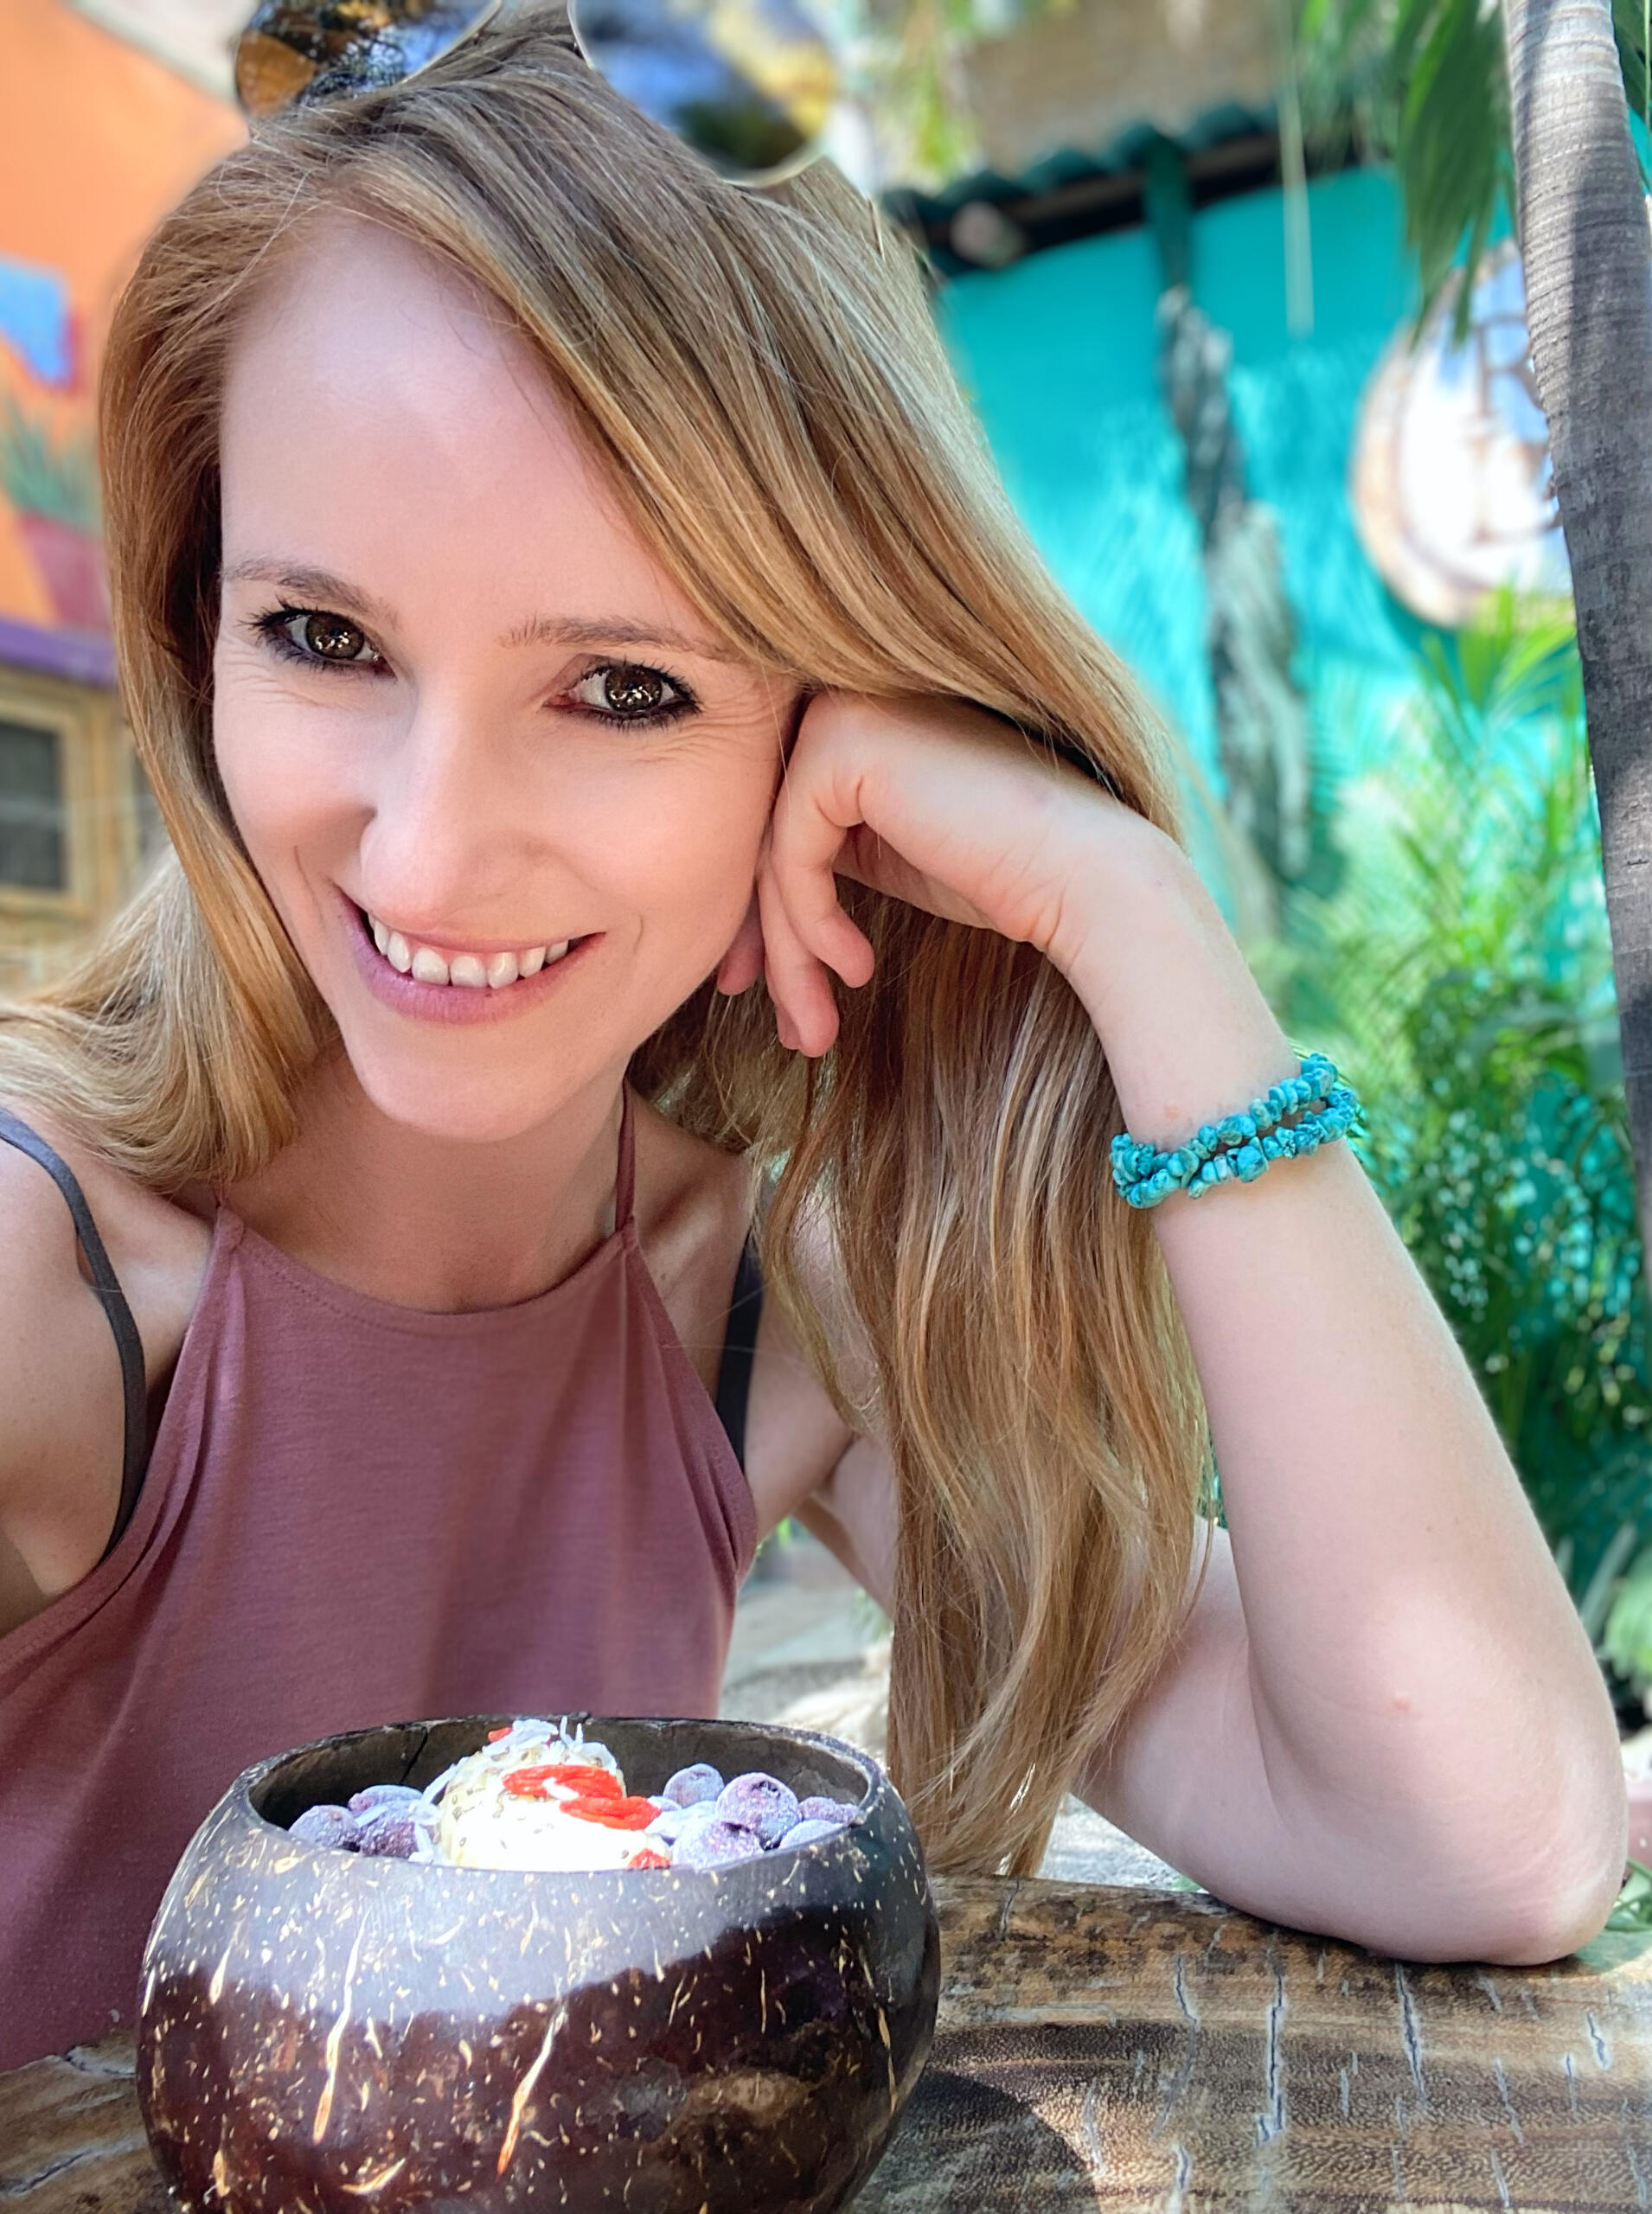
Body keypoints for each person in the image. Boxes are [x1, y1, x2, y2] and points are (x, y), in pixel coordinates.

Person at [0, 4, 1626, 2067]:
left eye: (623, 686)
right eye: (323, 636)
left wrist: (1131, 915)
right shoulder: (50, 1294)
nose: (426, 847)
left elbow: (1486, 1834)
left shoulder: (767, 1320)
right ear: (193, 624)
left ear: (842, 705)